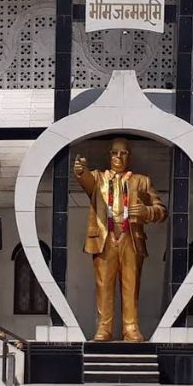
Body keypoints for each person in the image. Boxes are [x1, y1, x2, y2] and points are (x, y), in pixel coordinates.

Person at [73, 137, 167, 342]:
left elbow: (162, 211)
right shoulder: (98, 178)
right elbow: (85, 179)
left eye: (123, 153)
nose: (118, 157)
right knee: (103, 286)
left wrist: (147, 211)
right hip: (104, 239)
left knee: (131, 286)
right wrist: (80, 171)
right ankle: (104, 329)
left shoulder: (142, 181)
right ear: (109, 155)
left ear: (129, 156)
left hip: (131, 239)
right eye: (114, 153)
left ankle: (131, 328)